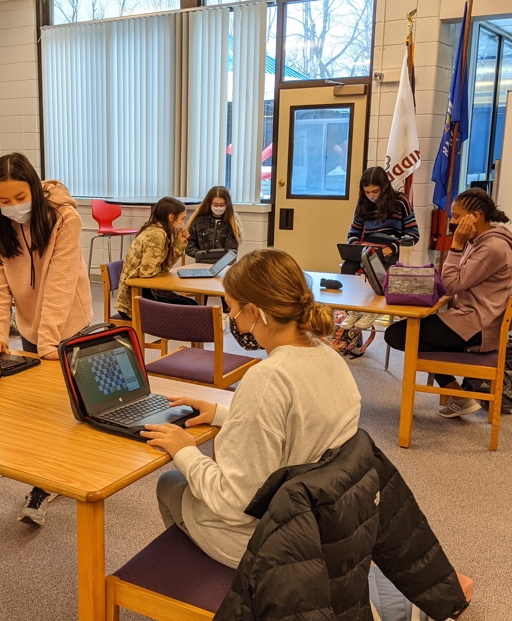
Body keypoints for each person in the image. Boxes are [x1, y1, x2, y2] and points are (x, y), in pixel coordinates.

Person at [140, 248, 362, 568]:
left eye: (230, 308)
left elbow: (234, 502)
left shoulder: (267, 378)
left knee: (171, 484)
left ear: (255, 312)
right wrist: (221, 414)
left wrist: (186, 451)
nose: (231, 318)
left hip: (274, 545)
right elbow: (298, 428)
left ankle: (219, 596)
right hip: (324, 524)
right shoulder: (329, 358)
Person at [0, 152, 93, 526]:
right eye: (4, 201)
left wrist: (49, 342)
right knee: (38, 410)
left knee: (70, 408)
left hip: (69, 324)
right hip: (30, 327)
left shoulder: (66, 219)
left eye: (20, 198)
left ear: (34, 188)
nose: (13, 207)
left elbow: (61, 285)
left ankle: (67, 478)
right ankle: (43, 483)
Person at [384, 188, 512, 419]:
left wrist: (455, 245)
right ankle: (457, 395)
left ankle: (458, 395)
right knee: (411, 332)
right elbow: (456, 281)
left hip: (476, 327)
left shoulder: (491, 247)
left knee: (400, 334)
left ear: (475, 216)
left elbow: (452, 285)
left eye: (456, 216)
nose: (452, 221)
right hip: (468, 318)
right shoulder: (481, 241)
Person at [114, 196, 195, 320]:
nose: (182, 223)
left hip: (143, 294)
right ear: (171, 217)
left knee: (192, 305)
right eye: (182, 219)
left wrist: (179, 242)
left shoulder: (156, 230)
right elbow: (146, 273)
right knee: (191, 307)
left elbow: (165, 266)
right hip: (132, 303)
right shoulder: (157, 234)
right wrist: (160, 270)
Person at [343, 166, 419, 274]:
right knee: (347, 268)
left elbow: (413, 234)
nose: (371, 196)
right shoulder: (362, 204)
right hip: (366, 252)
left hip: (391, 251)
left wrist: (393, 248)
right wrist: (357, 248)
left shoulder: (401, 201)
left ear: (384, 188)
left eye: (375, 191)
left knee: (382, 273)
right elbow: (353, 234)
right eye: (367, 192)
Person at [185, 186, 241, 261]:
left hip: (224, 265)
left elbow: (232, 251)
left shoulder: (232, 224)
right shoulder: (198, 221)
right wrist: (203, 256)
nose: (218, 208)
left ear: (227, 205)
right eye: (215, 205)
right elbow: (189, 246)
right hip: (202, 263)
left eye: (222, 205)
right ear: (209, 204)